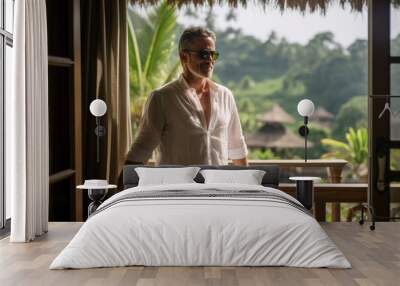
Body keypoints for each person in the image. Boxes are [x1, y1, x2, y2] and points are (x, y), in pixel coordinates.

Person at [126, 27, 248, 166]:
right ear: (184, 56)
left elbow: (237, 149)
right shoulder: (162, 98)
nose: (210, 60)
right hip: (176, 187)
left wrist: (250, 186)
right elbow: (141, 150)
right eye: (203, 54)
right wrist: (120, 187)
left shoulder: (226, 96)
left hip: (217, 187)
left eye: (213, 55)